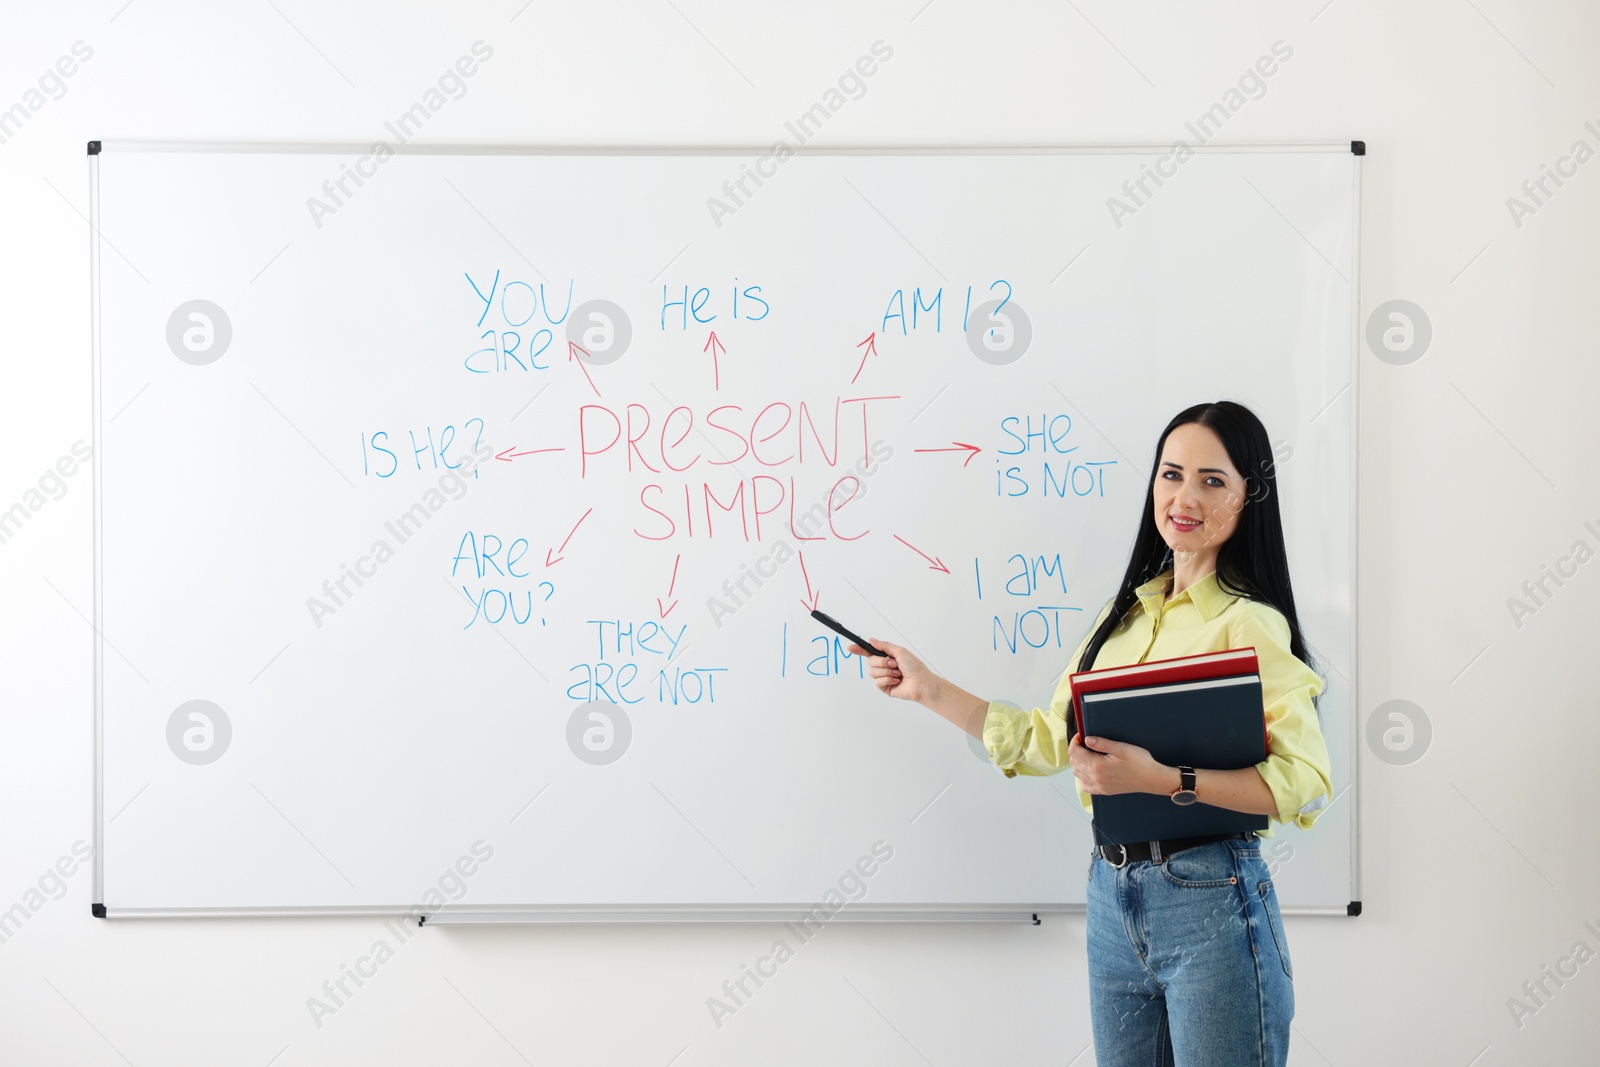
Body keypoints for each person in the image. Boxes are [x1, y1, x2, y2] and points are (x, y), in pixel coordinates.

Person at [849, 401, 1332, 1066]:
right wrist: (926, 685)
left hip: (1212, 901)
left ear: (1250, 497)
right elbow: (1048, 739)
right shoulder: (1122, 618)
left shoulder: (1249, 624)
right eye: (1171, 474)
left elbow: (1304, 783)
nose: (1184, 496)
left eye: (1213, 480)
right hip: (1113, 899)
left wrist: (1162, 780)